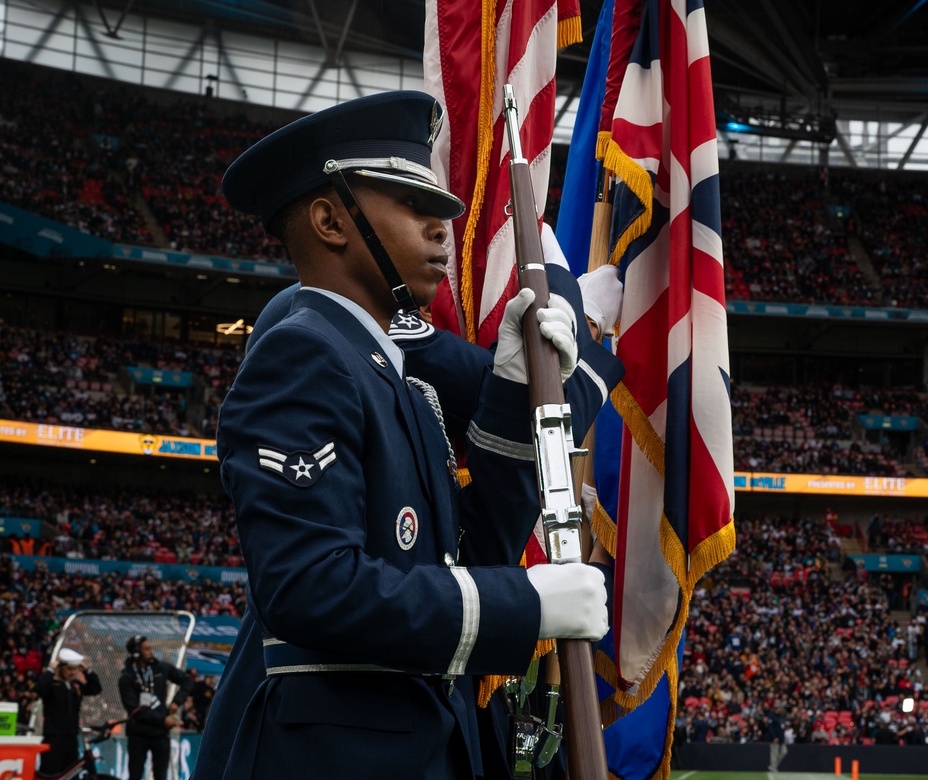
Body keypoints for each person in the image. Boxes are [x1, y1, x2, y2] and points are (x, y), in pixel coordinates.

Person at [206, 90, 610, 779]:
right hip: (332, 757)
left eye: (443, 210)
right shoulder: (301, 354)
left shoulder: (400, 384)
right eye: (413, 206)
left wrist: (511, 393)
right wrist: (523, 604)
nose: (441, 229)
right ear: (331, 220)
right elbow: (308, 586)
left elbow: (470, 552)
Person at [118, 635, 193, 780]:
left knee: (161, 775)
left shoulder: (160, 668)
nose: (151, 652)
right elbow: (134, 710)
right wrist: (162, 720)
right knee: (135, 774)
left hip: (160, 734)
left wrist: (177, 701)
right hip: (138, 733)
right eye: (146, 649)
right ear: (136, 653)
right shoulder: (126, 677)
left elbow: (187, 680)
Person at [36, 647, 102, 775]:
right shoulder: (51, 685)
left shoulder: (75, 685)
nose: (72, 673)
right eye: (69, 669)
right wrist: (50, 670)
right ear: (60, 667)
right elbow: (39, 688)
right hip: (53, 736)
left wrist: (87, 671)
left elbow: (95, 688)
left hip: (71, 736)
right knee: (51, 773)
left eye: (75, 669)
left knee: (71, 774)